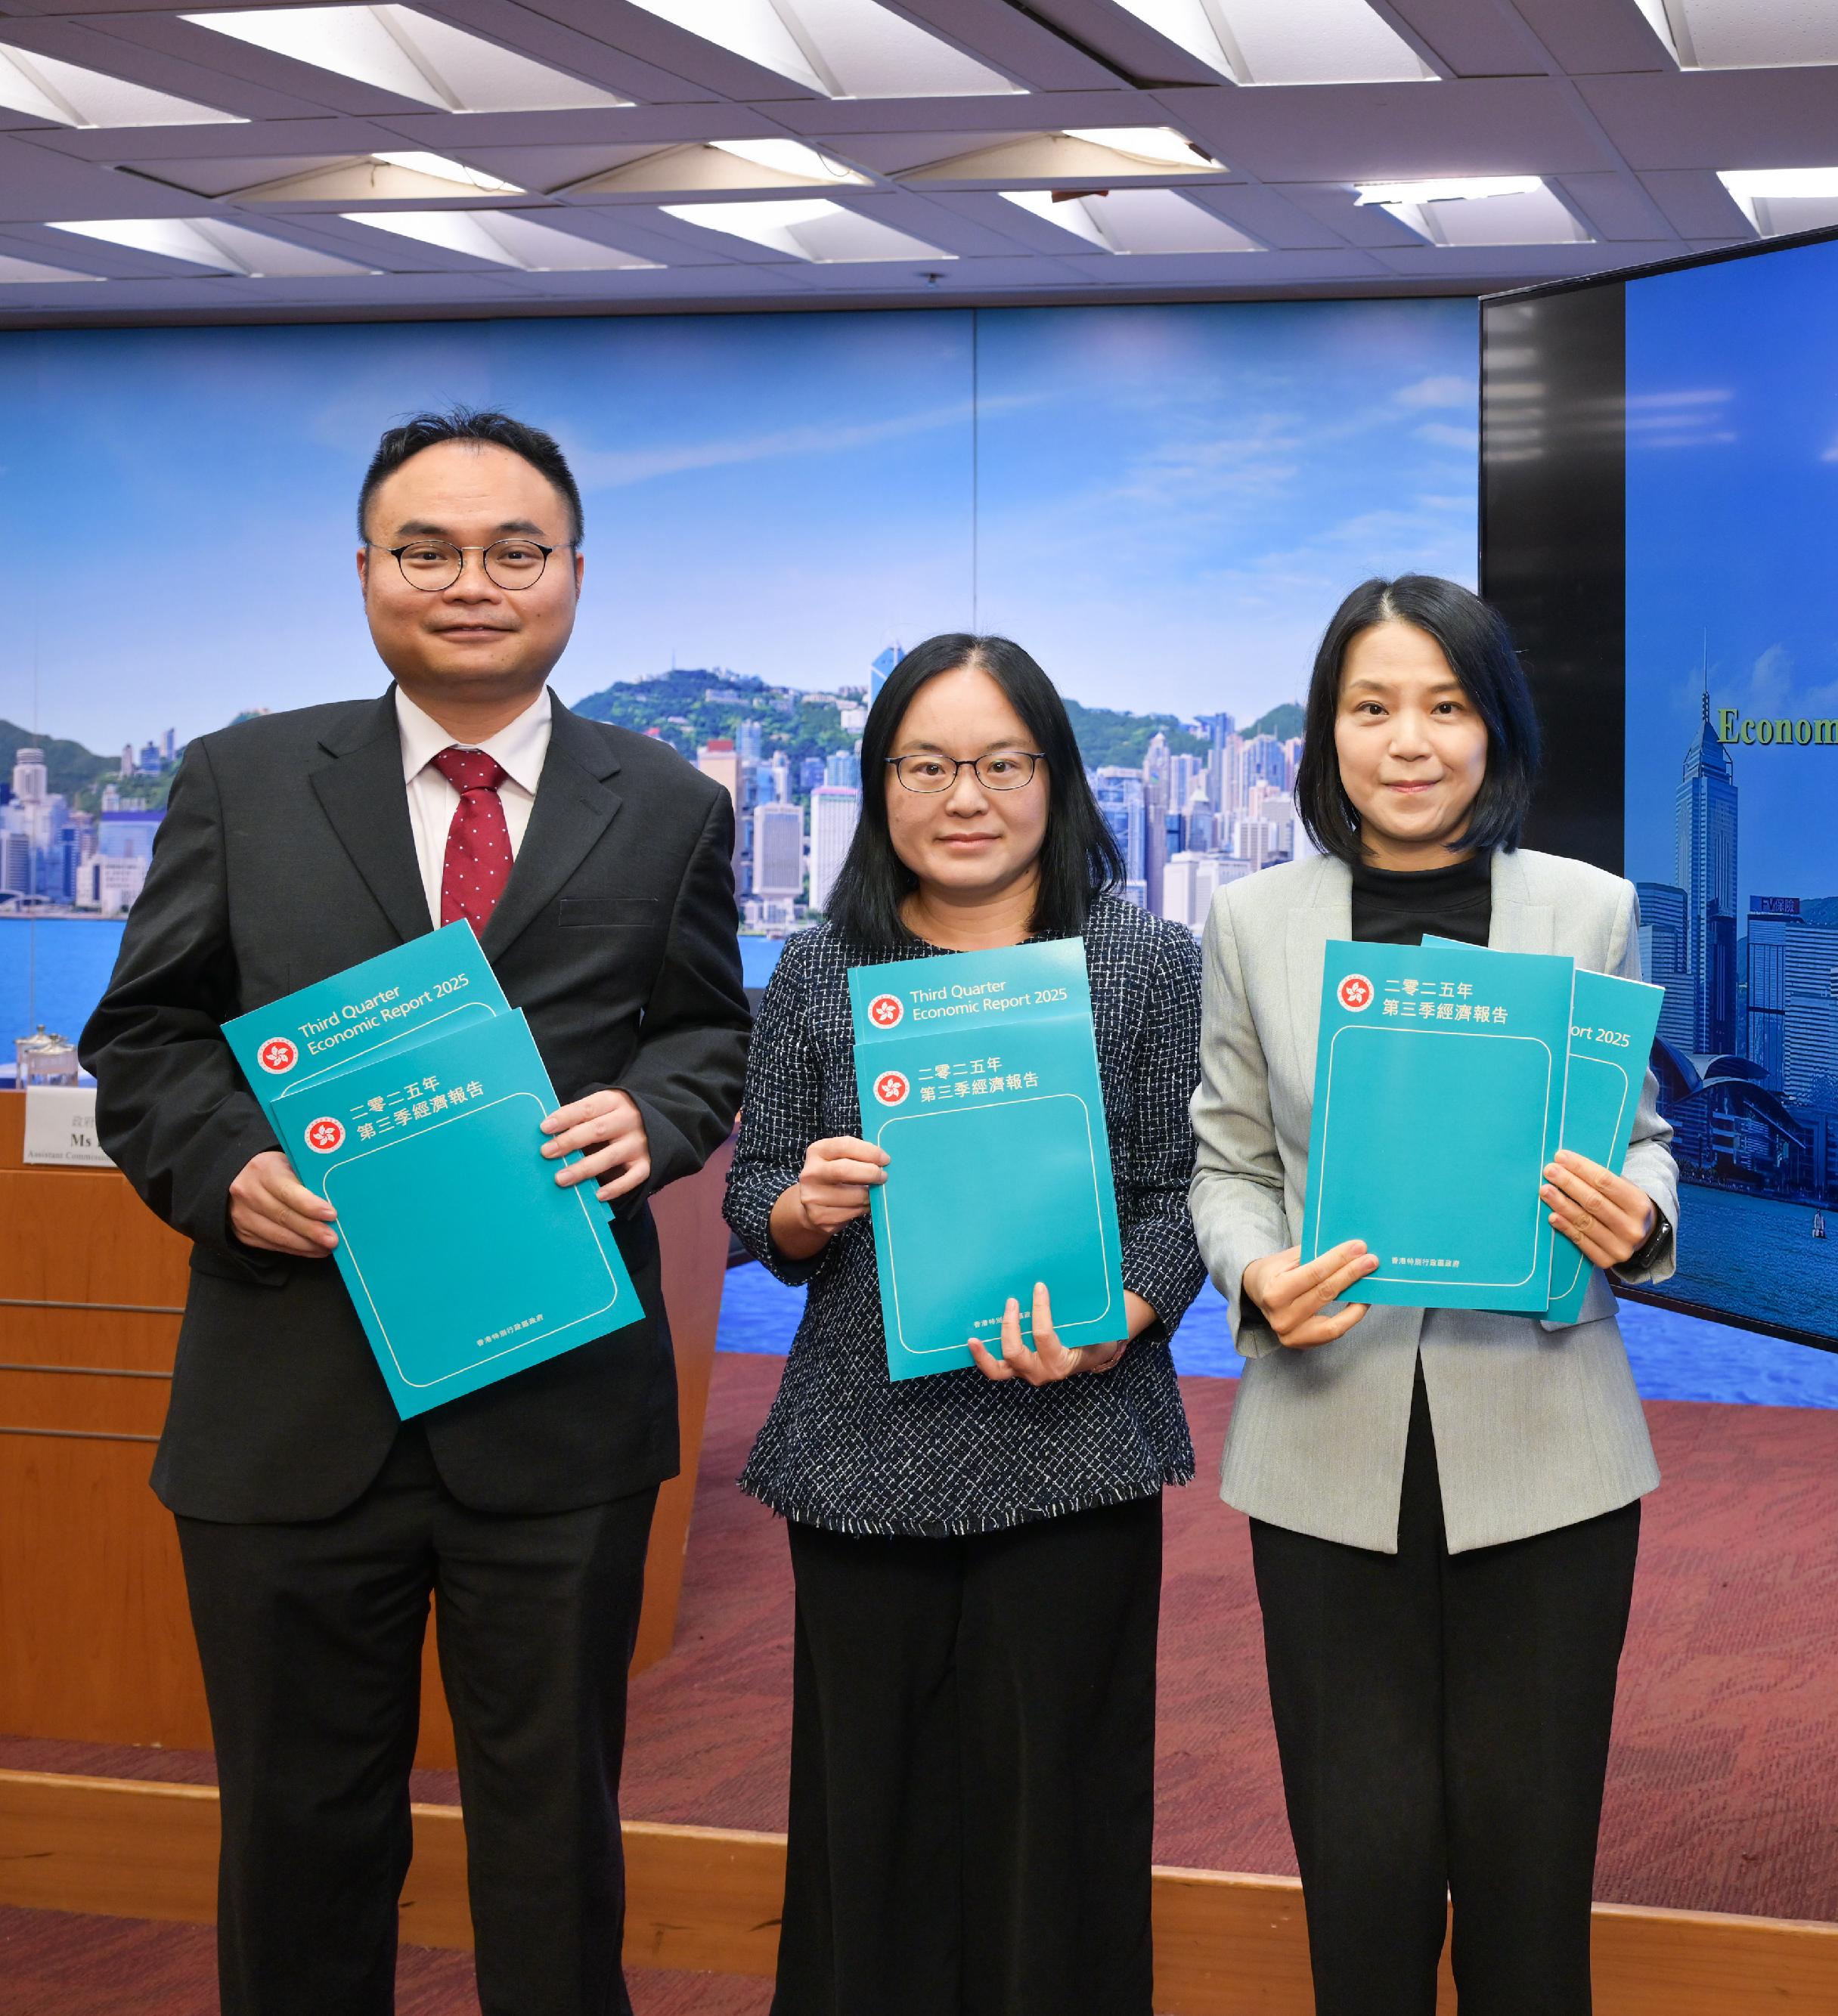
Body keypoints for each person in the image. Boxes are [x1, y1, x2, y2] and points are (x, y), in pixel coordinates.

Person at [81, 408, 752, 2014]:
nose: (471, 581)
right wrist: (222, 1163)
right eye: (428, 549)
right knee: (302, 1835)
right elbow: (146, 1035)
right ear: (368, 571)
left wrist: (651, 1118)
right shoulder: (243, 780)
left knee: (550, 1839)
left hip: (554, 1397)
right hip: (289, 1403)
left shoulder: (664, 800)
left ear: (573, 574)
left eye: (513, 550)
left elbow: (707, 1029)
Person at [1189, 573, 1678, 2015]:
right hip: (1328, 1452)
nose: (1411, 741)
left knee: (1534, 1896)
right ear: (1327, 735)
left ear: (1496, 728)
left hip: (1548, 1455)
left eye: (1447, 706)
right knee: (1363, 1880)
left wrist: (1643, 1214)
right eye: (1373, 706)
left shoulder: (1587, 911)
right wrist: (1255, 1271)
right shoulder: (1252, 921)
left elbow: (1637, 1132)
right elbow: (1225, 1160)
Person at [724, 633, 1204, 2016]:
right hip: (863, 1456)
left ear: (1054, 779)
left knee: (1068, 1814)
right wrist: (805, 1206)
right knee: (866, 1818)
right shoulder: (825, 966)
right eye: (925, 766)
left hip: (1079, 1443)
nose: (965, 796)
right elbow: (755, 1199)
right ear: (880, 787)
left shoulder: (1149, 962)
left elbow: (1187, 1189)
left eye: (1001, 763)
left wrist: (1128, 1309)